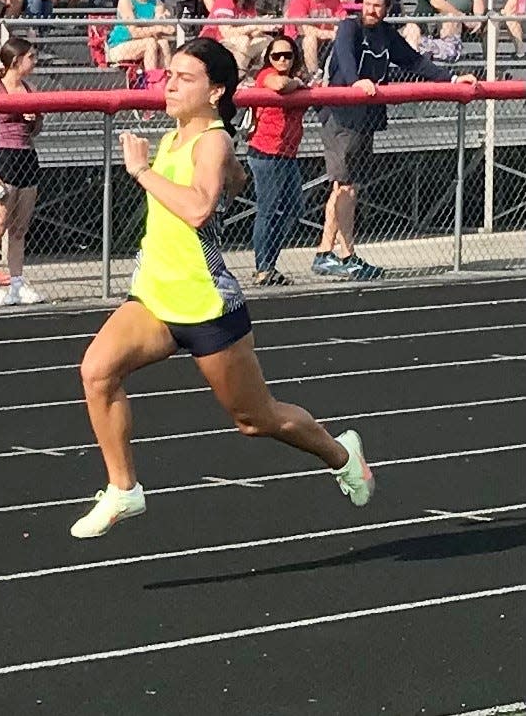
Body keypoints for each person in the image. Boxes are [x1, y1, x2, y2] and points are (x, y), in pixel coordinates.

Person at [70, 35, 375, 539]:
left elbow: (197, 209)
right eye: (169, 76)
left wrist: (142, 172)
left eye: (184, 78)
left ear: (215, 92)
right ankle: (123, 488)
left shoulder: (212, 138)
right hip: (154, 294)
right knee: (97, 372)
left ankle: (343, 455)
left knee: (256, 420)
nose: (170, 85)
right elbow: (228, 182)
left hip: (204, 304)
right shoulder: (175, 138)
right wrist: (230, 177)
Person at [312, 0, 477, 281]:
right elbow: (346, 60)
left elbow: (414, 61)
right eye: (367, 3)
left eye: (378, 5)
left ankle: (325, 253)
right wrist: (356, 83)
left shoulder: (386, 33)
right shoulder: (349, 27)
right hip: (341, 114)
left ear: (388, 8)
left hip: (367, 117)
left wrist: (451, 78)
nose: (371, 10)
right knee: (345, 186)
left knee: (346, 188)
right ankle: (346, 254)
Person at [0, 36, 45, 306]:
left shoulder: (30, 89)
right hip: (4, 159)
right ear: (16, 61)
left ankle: (17, 282)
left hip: (27, 156)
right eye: (31, 57)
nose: (35, 61)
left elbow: (36, 131)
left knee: (19, 228)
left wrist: (35, 119)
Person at [247, 36, 308, 286]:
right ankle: (264, 268)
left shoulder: (298, 78)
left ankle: (268, 263)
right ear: (268, 58)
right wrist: (298, 82)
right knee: (268, 210)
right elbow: (279, 85)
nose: (282, 60)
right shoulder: (266, 75)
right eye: (276, 56)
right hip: (266, 152)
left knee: (295, 209)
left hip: (287, 153)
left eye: (287, 55)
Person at [200, 0, 271, 75]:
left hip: (239, 43)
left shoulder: (249, 5)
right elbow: (226, 32)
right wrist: (254, 26)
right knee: (243, 40)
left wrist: (263, 27)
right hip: (213, 43)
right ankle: (239, 76)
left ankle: (257, 73)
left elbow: (253, 33)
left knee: (268, 40)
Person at [107, 0, 174, 69]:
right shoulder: (126, 0)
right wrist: (159, 28)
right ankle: (151, 81)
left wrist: (163, 23)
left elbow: (160, 33)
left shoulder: (157, 3)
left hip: (147, 42)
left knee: (163, 43)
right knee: (150, 42)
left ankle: (165, 79)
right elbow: (133, 32)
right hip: (120, 45)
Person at [284, 0, 344, 73]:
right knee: (310, 39)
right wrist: (332, 34)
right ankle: (314, 75)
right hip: (298, 42)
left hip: (327, 41)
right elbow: (305, 30)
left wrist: (336, 33)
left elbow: (342, 21)